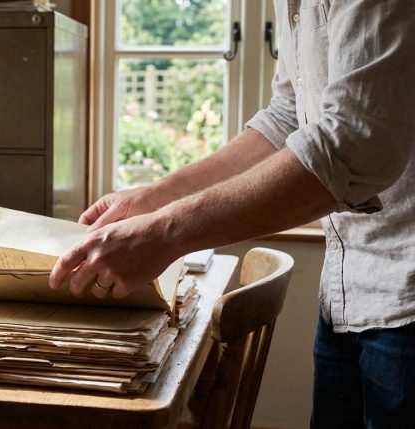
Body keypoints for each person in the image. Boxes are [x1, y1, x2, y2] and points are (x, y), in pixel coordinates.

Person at [48, 1, 415, 427]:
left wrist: (165, 233)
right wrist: (153, 199)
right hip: (350, 289)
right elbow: (289, 119)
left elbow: (352, 142)